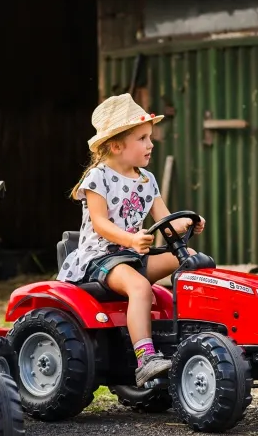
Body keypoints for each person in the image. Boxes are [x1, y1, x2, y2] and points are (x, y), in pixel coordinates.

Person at [59, 93, 205, 386]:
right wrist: (130, 238)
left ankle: (192, 335)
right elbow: (99, 223)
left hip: (133, 256)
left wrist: (189, 222)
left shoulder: (147, 180)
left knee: (191, 259)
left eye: (149, 137)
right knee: (140, 287)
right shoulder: (97, 177)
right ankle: (145, 359)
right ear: (116, 145)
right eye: (142, 138)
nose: (150, 144)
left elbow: (166, 221)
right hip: (100, 258)